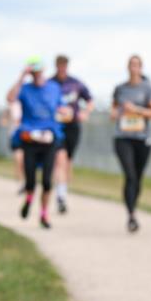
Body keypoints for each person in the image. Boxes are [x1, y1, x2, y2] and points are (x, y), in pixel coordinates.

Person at [8, 58, 68, 229]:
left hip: (49, 138)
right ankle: (28, 200)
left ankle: (43, 214)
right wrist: (21, 77)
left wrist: (65, 111)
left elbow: (62, 107)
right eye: (33, 72)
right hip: (29, 139)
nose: (36, 74)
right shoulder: (25, 89)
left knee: (47, 181)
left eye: (38, 71)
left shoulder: (53, 88)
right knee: (31, 180)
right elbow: (10, 98)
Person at [111, 55, 151, 232]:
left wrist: (136, 109)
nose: (133, 68)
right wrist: (118, 112)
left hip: (142, 138)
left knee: (137, 177)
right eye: (131, 64)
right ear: (127, 67)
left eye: (137, 65)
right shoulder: (120, 89)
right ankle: (131, 215)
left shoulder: (147, 88)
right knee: (129, 175)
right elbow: (113, 112)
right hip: (123, 137)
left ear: (141, 67)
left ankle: (133, 206)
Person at [50, 54, 94, 214]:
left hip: (72, 126)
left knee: (68, 162)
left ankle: (63, 191)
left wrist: (85, 112)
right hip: (56, 127)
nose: (62, 68)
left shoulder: (75, 83)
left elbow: (90, 100)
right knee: (59, 159)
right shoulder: (50, 84)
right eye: (59, 65)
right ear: (56, 66)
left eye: (64, 65)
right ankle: (60, 196)